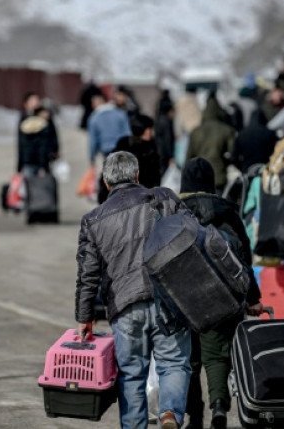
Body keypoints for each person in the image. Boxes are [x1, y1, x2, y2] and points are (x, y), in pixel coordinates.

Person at [75, 152, 192, 429]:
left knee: (130, 374)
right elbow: (192, 236)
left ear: (106, 182)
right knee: (174, 363)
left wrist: (84, 317)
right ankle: (169, 414)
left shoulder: (94, 220)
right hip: (169, 298)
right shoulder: (164, 198)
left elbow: (87, 275)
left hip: (125, 305)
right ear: (137, 176)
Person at [178, 157, 262, 429]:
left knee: (189, 360)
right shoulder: (228, 212)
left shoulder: (176, 213)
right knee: (217, 355)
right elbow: (245, 261)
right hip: (224, 297)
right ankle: (219, 408)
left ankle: (195, 416)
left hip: (185, 296)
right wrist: (252, 299)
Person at [186, 96, 236, 193]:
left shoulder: (195, 132)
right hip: (218, 176)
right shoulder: (226, 130)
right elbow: (232, 154)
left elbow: (189, 157)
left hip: (200, 176)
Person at [87, 93, 132, 204]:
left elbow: (93, 141)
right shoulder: (120, 114)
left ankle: (110, 202)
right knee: (124, 176)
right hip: (122, 150)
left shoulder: (94, 118)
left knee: (109, 178)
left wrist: (92, 157)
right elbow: (128, 133)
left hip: (107, 152)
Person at [115, 114, 162, 189]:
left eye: (150, 128)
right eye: (147, 129)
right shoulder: (125, 145)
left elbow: (156, 172)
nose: (150, 132)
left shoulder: (152, 145)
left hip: (148, 190)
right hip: (127, 189)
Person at [18, 106, 59, 178]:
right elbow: (42, 148)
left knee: (30, 186)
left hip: (28, 162)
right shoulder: (43, 128)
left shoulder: (26, 125)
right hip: (41, 163)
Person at [231, 109, 277, 174]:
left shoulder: (241, 135)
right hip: (267, 168)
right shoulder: (268, 132)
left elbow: (234, 158)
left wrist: (243, 169)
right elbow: (278, 148)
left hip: (249, 171)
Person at [154, 90, 176, 177]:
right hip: (164, 152)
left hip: (157, 150)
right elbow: (168, 138)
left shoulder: (157, 119)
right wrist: (170, 155)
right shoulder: (167, 121)